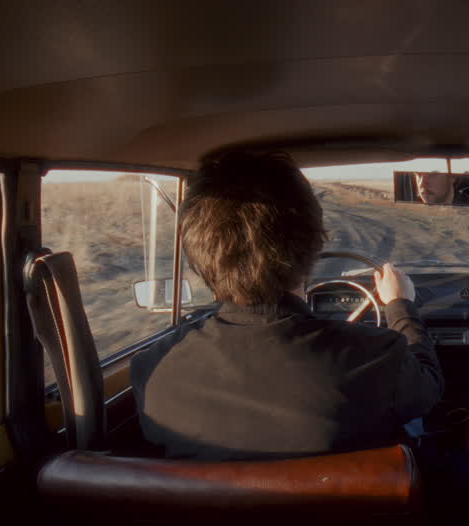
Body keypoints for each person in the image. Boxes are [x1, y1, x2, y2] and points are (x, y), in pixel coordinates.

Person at [131, 151, 444, 460]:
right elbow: (429, 388)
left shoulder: (154, 369)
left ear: (196, 251)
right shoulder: (374, 357)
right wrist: (400, 306)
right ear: (312, 245)